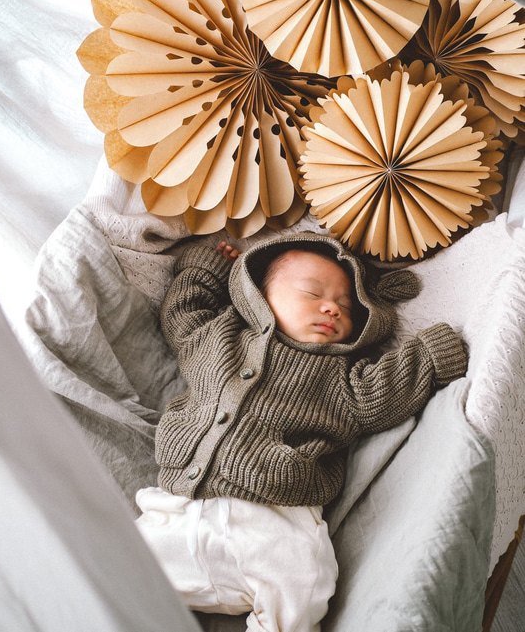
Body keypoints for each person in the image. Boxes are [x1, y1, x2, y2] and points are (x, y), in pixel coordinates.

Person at [135, 232, 467, 632]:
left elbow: (388, 390)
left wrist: (432, 354)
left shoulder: (342, 379)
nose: (331, 307)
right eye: (312, 293)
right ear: (259, 296)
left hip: (274, 520)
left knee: (306, 580)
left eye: (347, 306)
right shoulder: (217, 338)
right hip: (180, 510)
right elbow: (184, 315)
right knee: (116, 570)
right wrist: (205, 269)